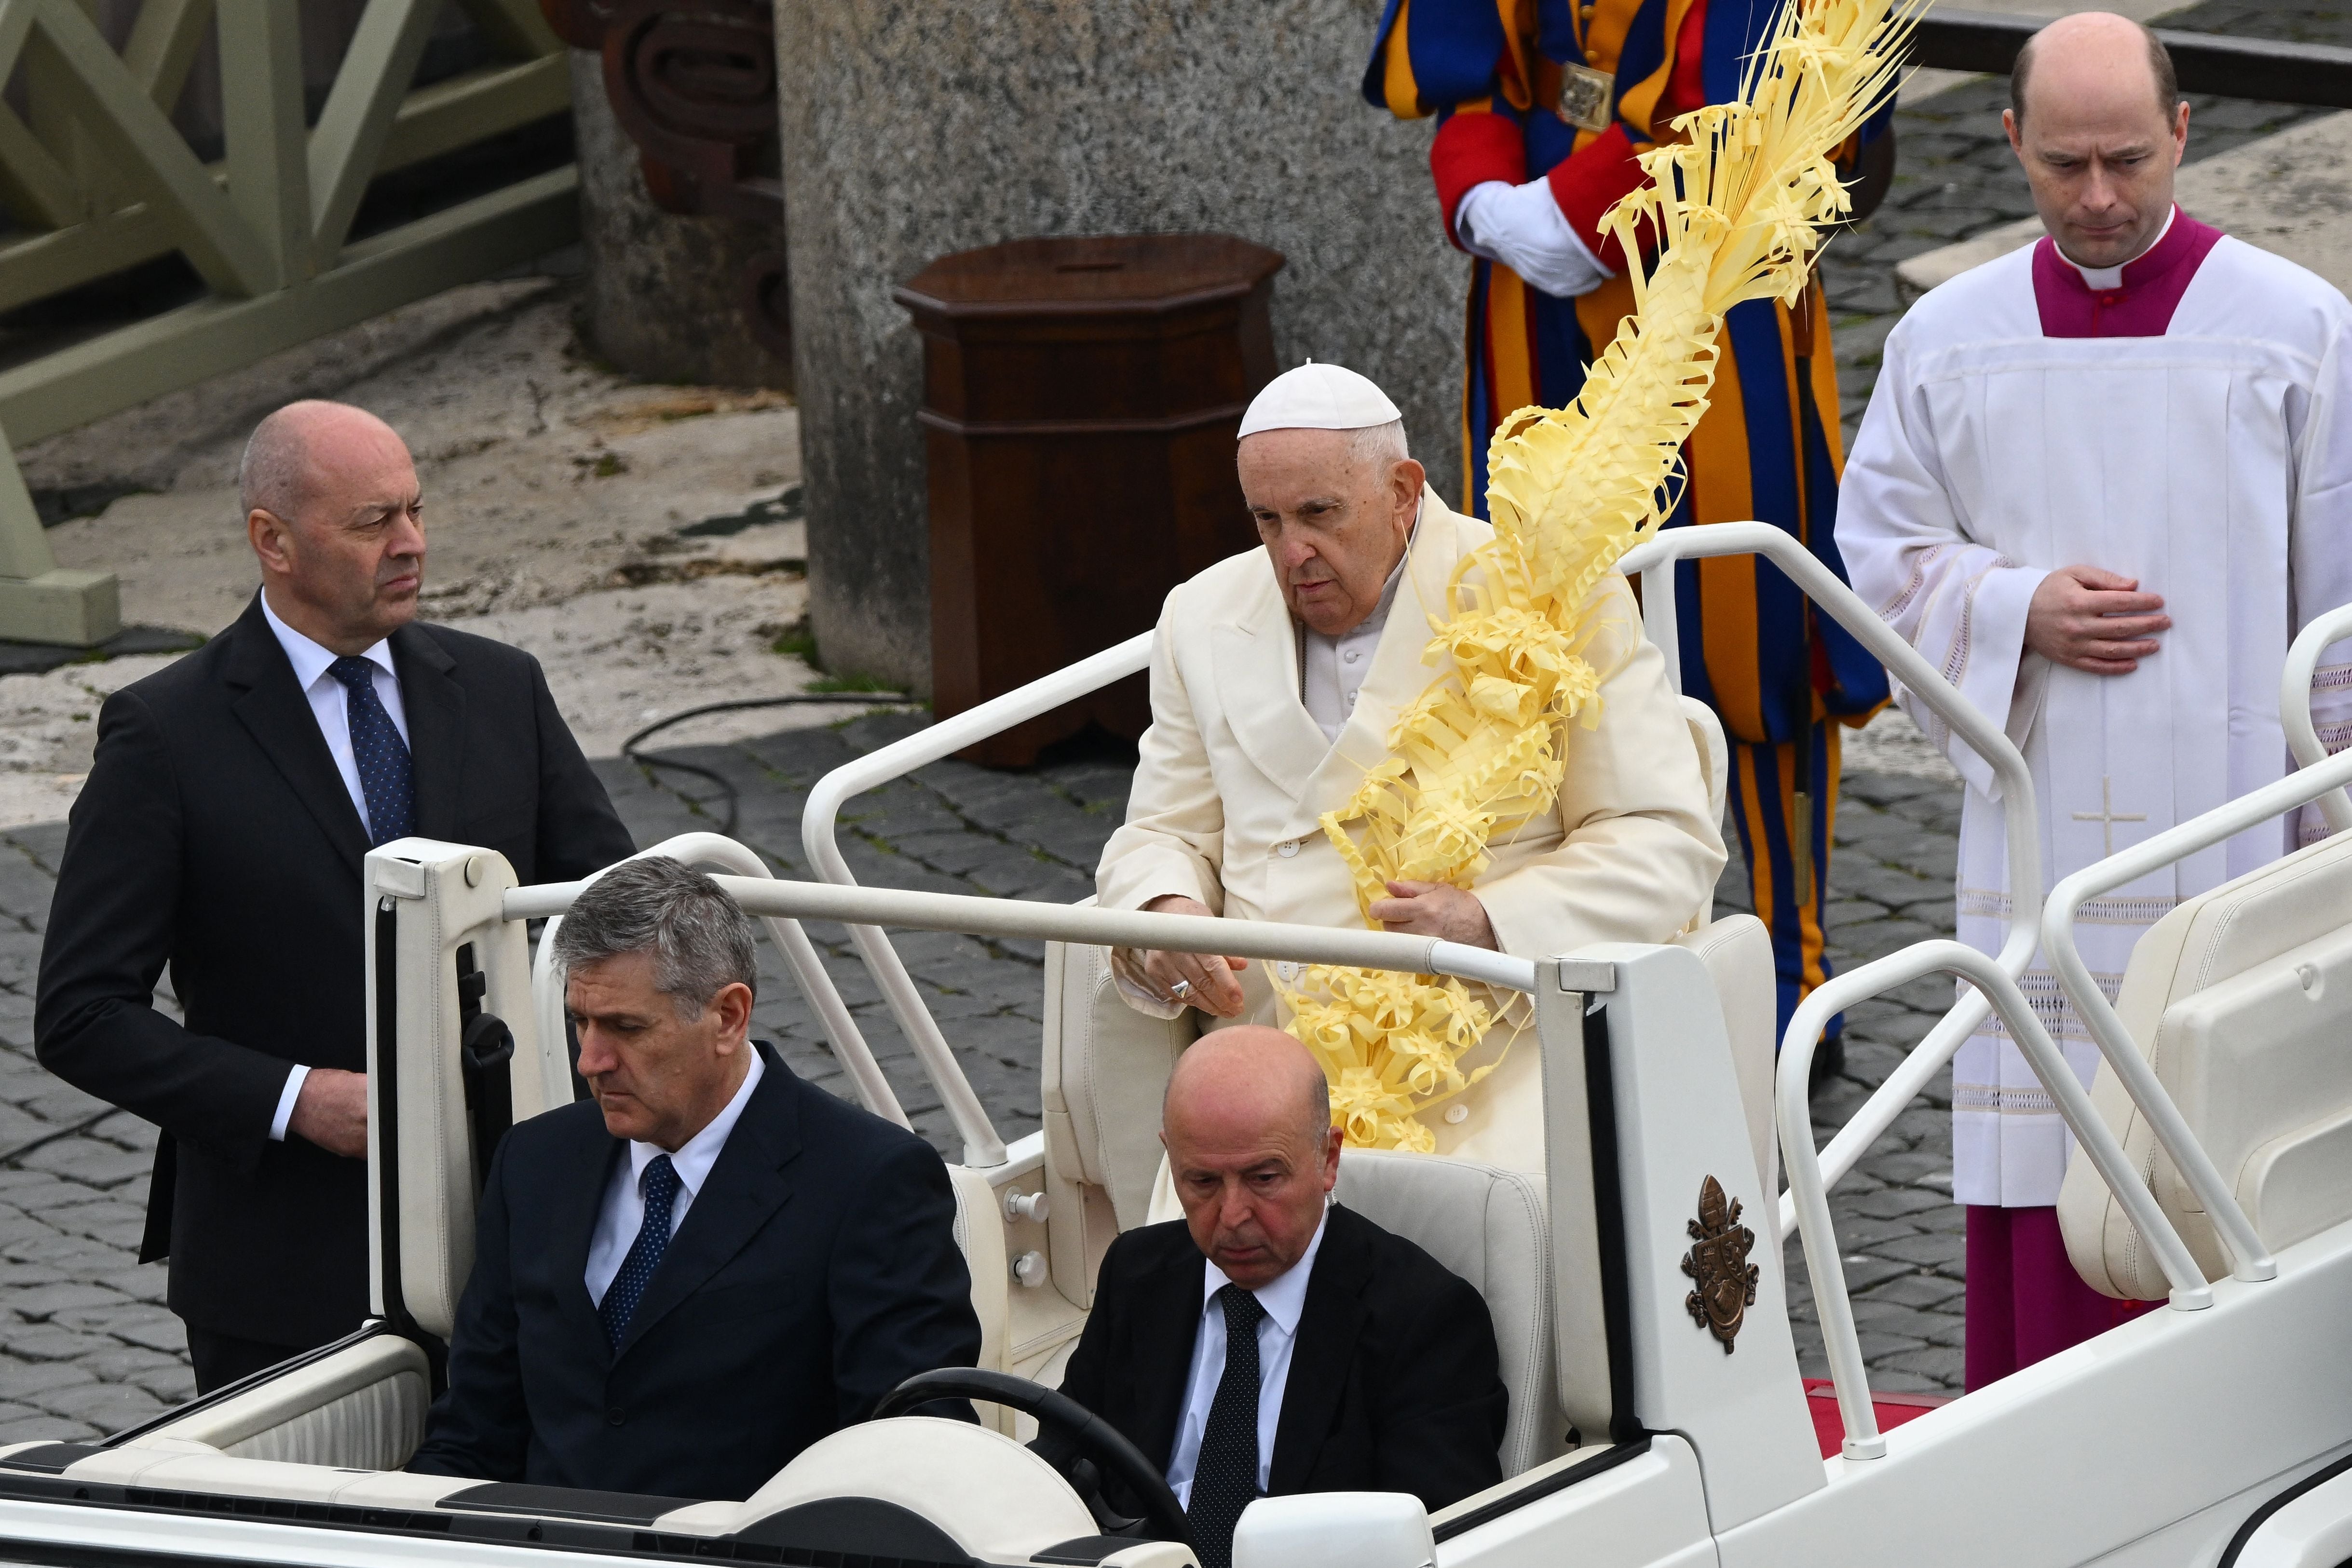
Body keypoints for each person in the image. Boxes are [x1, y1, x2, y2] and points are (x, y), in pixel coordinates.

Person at [1835, 14, 2352, 1389]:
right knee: (2049, 1162)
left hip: (2242, 833)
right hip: (2039, 822)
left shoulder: (2296, 331)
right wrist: (2014, 611)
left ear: (2183, 131)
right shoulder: (1948, 340)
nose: (2101, 196)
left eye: (2127, 157)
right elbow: (1878, 556)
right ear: (2007, 143)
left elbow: (2343, 609)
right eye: (2062, 166)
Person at [34, 401, 637, 1393]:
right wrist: (295, 1101)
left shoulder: (500, 690)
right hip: (288, 1268)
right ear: (271, 540)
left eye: (414, 511)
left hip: (532, 1235)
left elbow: (612, 918)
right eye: (372, 523)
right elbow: (82, 1015)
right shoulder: (166, 736)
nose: (411, 545)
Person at [1361, 0, 1896, 1050]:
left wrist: (1577, 212)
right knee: (1539, 622)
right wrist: (1482, 199)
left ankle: (1793, 964)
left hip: (1714, 276)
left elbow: (1754, 106)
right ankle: (1580, 946)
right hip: (1531, 284)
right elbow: (1473, 67)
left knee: (1752, 636)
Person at [1096, 361, 1723, 1156]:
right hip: (1267, 1071)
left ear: (1401, 490)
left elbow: (1664, 836)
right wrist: (1164, 910)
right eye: (1267, 520)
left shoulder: (1547, 592)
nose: (1292, 554)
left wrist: (1488, 921)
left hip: (1484, 1054)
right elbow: (1162, 831)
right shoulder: (1199, 614)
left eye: (1320, 514)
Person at [408, 857, 981, 1499]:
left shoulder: (871, 1183)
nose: (590, 1060)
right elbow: (475, 1431)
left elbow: (908, 1457)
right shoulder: (535, 1163)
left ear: (729, 1018)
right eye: (580, 1021)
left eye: (626, 1028)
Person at [1043, 1027, 1506, 1568]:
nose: (1232, 1215)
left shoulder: (1424, 1319)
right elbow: (1060, 1463)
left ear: (1328, 1159)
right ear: (1170, 1159)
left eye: (1263, 1178)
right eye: (1202, 1182)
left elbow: (1429, 1542)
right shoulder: (1136, 1273)